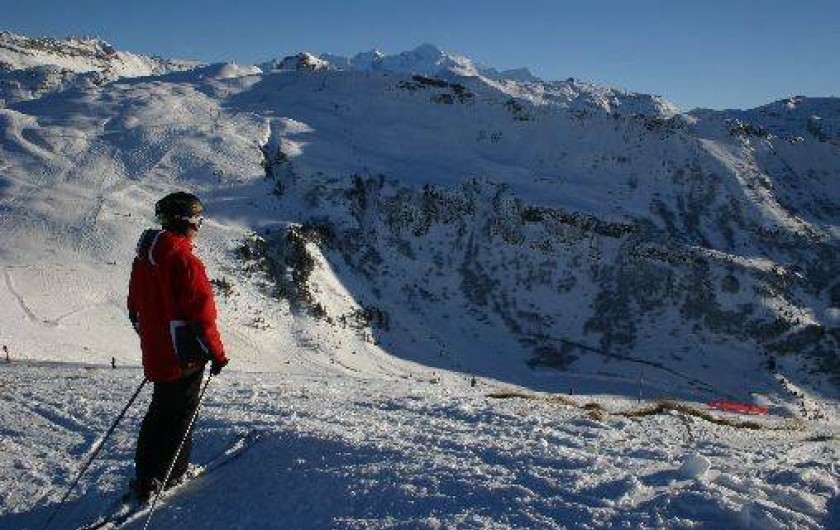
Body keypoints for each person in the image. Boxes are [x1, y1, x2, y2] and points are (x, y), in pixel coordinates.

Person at [127, 191, 228, 500]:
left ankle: (146, 476)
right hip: (185, 355)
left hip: (157, 350)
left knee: (159, 411)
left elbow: (134, 309)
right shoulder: (185, 261)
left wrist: (153, 339)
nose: (199, 227)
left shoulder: (144, 260)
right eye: (198, 220)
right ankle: (172, 474)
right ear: (186, 222)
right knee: (181, 415)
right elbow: (202, 315)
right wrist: (216, 354)